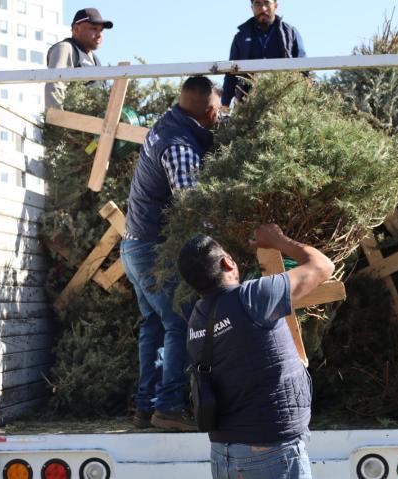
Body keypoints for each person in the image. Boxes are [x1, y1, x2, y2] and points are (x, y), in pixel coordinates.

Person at [178, 224, 334, 479]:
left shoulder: (197, 318)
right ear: (227, 263)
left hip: (225, 454)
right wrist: (279, 240)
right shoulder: (252, 297)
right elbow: (323, 266)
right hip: (268, 454)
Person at [122, 76, 222, 431]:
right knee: (178, 324)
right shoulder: (179, 146)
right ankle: (167, 409)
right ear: (210, 110)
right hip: (153, 250)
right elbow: (192, 206)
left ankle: (145, 408)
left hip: (133, 245)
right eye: (219, 112)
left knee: (154, 325)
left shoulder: (166, 126)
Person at [221, 0, 306, 110]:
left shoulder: (290, 33)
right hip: (248, 106)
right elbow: (231, 73)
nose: (263, 8)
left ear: (275, 6)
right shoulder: (241, 37)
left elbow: (304, 71)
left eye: (267, 3)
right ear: (252, 7)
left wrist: (304, 102)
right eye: (258, 3)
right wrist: (225, 104)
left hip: (285, 105)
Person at [44, 8, 112, 110]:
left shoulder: (95, 60)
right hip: (72, 122)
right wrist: (59, 122)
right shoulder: (66, 48)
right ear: (76, 29)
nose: (99, 35)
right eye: (93, 29)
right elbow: (55, 86)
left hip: (93, 123)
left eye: (101, 30)